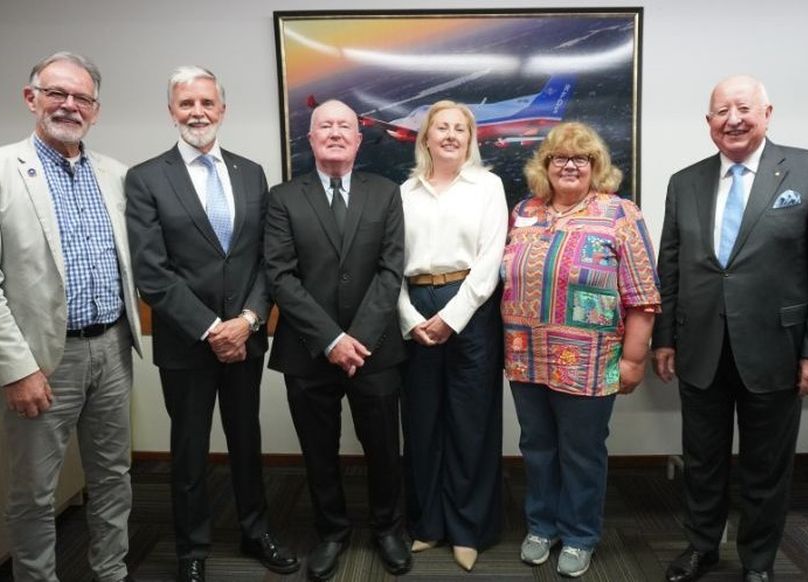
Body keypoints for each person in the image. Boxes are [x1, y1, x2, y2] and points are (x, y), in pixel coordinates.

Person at [0, 52, 142, 582]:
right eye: (56, 93)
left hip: (112, 348)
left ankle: (111, 572)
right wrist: (17, 369)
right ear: (30, 97)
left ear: (96, 111)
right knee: (35, 492)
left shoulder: (115, 175)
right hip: (40, 359)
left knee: (113, 476)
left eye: (82, 97)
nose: (69, 105)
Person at [652, 75, 808, 582]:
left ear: (767, 113)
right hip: (701, 348)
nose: (732, 119)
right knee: (702, 461)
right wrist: (665, 338)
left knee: (766, 466)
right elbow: (669, 267)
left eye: (743, 108)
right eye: (721, 111)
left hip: (778, 349)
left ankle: (758, 561)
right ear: (709, 122)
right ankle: (701, 547)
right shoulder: (685, 181)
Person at [125, 66, 298, 581]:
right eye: (186, 104)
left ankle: (255, 529)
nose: (197, 112)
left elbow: (267, 259)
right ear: (172, 111)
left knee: (247, 440)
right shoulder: (147, 177)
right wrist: (210, 329)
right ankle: (191, 549)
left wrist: (246, 320)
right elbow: (151, 272)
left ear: (222, 110)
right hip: (186, 343)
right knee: (189, 451)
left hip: (245, 338)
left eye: (206, 102)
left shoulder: (252, 172)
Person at [502, 122, 660, 578]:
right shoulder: (524, 211)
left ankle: (578, 534)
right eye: (559, 157)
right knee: (536, 446)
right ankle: (541, 526)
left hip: (590, 361)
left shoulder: (619, 213)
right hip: (526, 355)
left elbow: (643, 294)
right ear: (544, 166)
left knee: (581, 451)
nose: (569, 165)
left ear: (596, 167)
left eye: (581, 158)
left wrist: (633, 359)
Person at [264, 99, 411, 581]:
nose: (334, 132)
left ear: (358, 137)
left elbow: (391, 270)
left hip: (375, 349)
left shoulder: (386, 193)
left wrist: (358, 339)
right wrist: (331, 339)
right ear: (310, 139)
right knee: (318, 449)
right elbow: (280, 276)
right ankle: (331, 532)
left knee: (384, 447)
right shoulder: (284, 197)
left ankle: (388, 529)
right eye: (324, 125)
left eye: (343, 125)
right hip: (308, 350)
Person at [396, 100, 507, 571]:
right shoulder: (405, 192)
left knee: (471, 424)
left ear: (470, 138)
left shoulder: (488, 186)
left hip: (472, 309)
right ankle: (428, 525)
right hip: (415, 310)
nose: (449, 135)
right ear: (426, 137)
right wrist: (409, 317)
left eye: (459, 129)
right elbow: (390, 264)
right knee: (422, 424)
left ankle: (468, 528)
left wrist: (452, 317)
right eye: (441, 127)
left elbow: (490, 261)